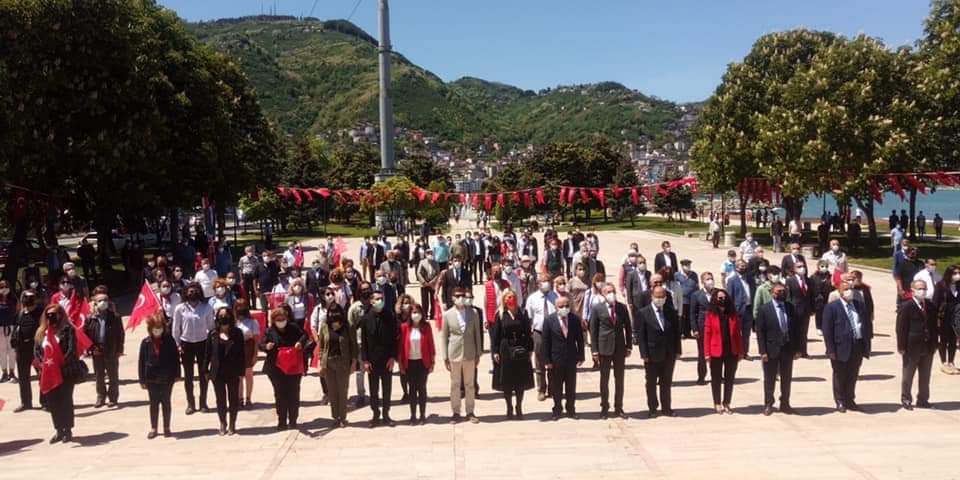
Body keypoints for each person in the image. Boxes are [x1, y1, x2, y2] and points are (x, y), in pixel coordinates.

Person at [823, 281, 873, 412]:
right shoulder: (832, 307)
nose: (848, 291)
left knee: (853, 374)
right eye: (845, 289)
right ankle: (840, 400)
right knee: (840, 374)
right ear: (839, 291)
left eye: (850, 289)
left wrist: (867, 344)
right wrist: (830, 349)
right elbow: (827, 330)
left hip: (857, 344)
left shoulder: (859, 305)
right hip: (840, 347)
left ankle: (850, 399)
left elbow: (866, 324)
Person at [35, 305, 81, 443]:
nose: (51, 317)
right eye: (48, 314)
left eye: (54, 314)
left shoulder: (68, 330)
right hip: (48, 373)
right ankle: (59, 430)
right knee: (53, 402)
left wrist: (60, 363)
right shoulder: (41, 332)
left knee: (65, 400)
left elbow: (72, 349)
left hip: (64, 371)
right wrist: (44, 364)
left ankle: (68, 430)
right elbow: (37, 351)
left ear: (60, 314)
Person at [756, 283, 803, 415]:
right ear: (772, 293)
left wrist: (799, 348)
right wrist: (763, 351)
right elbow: (760, 332)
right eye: (778, 292)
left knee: (786, 378)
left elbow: (797, 329)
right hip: (771, 349)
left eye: (783, 291)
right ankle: (768, 403)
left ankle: (785, 403)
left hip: (788, 348)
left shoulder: (790, 308)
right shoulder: (764, 309)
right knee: (770, 378)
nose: (781, 294)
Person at [261, 307, 311, 430]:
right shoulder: (270, 331)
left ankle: (293, 420)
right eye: (278, 319)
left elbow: (305, 336)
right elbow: (261, 344)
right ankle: (282, 420)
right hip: (276, 368)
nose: (281, 321)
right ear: (273, 320)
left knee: (293, 393)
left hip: (293, 367)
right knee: (280, 394)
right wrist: (266, 346)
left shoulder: (293, 328)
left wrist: (300, 342)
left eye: (283, 319)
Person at [636, 286, 681, 418]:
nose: (660, 299)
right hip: (651, 354)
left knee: (666, 382)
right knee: (651, 383)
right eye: (657, 296)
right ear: (652, 296)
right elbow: (641, 336)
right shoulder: (644, 313)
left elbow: (676, 332)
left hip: (668, 353)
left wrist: (678, 350)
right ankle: (652, 407)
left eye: (662, 297)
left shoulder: (670, 312)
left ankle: (666, 407)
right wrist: (644, 354)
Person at [490, 288, 533, 420]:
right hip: (505, 349)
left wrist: (530, 349)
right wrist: (495, 351)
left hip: (520, 348)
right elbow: (495, 335)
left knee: (520, 380)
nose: (511, 299)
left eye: (512, 296)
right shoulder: (500, 314)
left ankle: (518, 406)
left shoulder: (522, 312)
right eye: (508, 297)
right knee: (507, 380)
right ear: (504, 299)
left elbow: (527, 332)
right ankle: (509, 407)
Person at [172, 283, 215, 414]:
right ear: (185, 293)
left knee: (204, 374)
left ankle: (203, 403)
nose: (192, 293)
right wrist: (177, 345)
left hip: (202, 344)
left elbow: (212, 327)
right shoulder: (180, 308)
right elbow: (176, 328)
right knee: (188, 376)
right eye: (190, 291)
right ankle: (190, 403)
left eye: (195, 291)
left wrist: (211, 344)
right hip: (186, 344)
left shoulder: (206, 307)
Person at [591, 283, 631, 419]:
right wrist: (594, 350)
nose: (611, 294)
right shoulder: (597, 309)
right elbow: (594, 330)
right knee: (604, 380)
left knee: (619, 379)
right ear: (602, 294)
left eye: (612, 291)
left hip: (619, 348)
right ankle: (604, 407)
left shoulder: (622, 308)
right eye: (607, 292)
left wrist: (629, 346)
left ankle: (619, 407)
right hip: (604, 348)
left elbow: (628, 328)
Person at [896, 280, 938, 410]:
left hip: (927, 346)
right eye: (919, 288)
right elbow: (901, 328)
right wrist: (901, 346)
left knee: (925, 376)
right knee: (908, 375)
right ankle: (906, 398)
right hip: (911, 346)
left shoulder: (930, 306)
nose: (922, 291)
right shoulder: (907, 306)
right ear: (912, 290)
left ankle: (923, 399)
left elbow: (934, 326)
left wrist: (935, 343)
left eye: (924, 288)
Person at [541, 294, 584, 420]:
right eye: (561, 306)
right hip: (556, 359)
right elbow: (546, 341)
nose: (564, 308)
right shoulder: (549, 320)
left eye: (566, 305)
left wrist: (581, 355)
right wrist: (547, 360)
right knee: (556, 387)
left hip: (571, 358)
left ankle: (571, 409)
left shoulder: (575, 319)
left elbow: (580, 339)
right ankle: (557, 409)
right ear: (556, 307)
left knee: (571, 386)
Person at [138, 312, 180, 438]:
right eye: (155, 328)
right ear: (150, 329)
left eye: (159, 327)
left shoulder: (169, 340)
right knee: (154, 403)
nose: (157, 330)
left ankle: (167, 427)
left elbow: (175, 358)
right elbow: (141, 361)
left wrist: (177, 373)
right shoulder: (145, 342)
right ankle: (154, 427)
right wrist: (142, 380)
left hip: (167, 376)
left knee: (166, 402)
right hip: (151, 377)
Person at [361, 291, 398, 427]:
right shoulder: (366, 319)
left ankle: (386, 414)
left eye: (381, 298)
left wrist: (393, 357)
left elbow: (394, 339)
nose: (380, 301)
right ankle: (375, 414)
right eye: (377, 299)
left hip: (386, 359)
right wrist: (365, 360)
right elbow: (363, 341)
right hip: (372, 361)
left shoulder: (390, 316)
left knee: (387, 388)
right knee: (373, 389)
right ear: (371, 301)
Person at [703, 288, 743, 414]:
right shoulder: (710, 315)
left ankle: (727, 402)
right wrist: (707, 353)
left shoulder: (733, 314)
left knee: (730, 379)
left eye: (724, 297)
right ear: (715, 299)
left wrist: (741, 351)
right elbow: (707, 334)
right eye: (720, 298)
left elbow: (738, 334)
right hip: (716, 351)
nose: (722, 300)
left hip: (731, 350)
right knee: (716, 379)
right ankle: (717, 403)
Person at [317, 303, 357, 428]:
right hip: (328, 362)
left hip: (343, 362)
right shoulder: (324, 327)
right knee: (332, 392)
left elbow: (353, 345)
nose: (334, 317)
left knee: (342, 390)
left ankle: (343, 417)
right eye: (331, 314)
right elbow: (322, 346)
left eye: (336, 314)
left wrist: (354, 362)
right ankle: (335, 417)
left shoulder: (347, 326)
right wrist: (321, 363)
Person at [207, 308, 245, 435]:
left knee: (233, 398)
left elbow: (241, 353)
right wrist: (205, 370)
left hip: (233, 370)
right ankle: (223, 422)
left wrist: (242, 371)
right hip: (217, 372)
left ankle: (232, 424)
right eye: (221, 315)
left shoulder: (237, 333)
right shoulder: (212, 334)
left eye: (226, 315)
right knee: (220, 399)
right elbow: (207, 354)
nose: (224, 317)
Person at [83, 292, 124, 408]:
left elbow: (120, 334)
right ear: (95, 303)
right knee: (99, 376)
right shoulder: (90, 318)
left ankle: (113, 398)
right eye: (100, 300)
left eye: (105, 300)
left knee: (113, 375)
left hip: (111, 349)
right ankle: (100, 397)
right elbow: (85, 336)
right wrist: (91, 349)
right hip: (97, 350)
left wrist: (119, 349)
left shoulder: (115, 317)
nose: (103, 303)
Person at [397, 303, 435, 425]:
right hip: (410, 362)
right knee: (412, 389)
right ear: (410, 314)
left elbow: (431, 344)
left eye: (418, 312)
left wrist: (432, 361)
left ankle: (422, 415)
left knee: (422, 388)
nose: (416, 315)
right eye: (413, 312)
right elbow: (401, 347)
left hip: (423, 362)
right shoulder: (404, 327)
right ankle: (413, 416)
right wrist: (401, 364)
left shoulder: (426, 327)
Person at [525, 272, 557, 401]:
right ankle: (541, 388)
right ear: (538, 284)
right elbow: (529, 317)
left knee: (552, 361)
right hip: (538, 333)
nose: (546, 283)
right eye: (544, 281)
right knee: (539, 361)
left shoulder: (555, 297)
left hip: (553, 334)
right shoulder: (532, 299)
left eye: (548, 281)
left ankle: (553, 388)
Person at [12, 290, 42, 412]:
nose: (27, 300)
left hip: (36, 350)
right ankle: (26, 402)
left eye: (30, 298)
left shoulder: (40, 313)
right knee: (23, 378)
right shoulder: (20, 314)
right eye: (25, 297)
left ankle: (45, 401)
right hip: (22, 350)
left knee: (42, 376)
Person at [725, 260, 754, 358]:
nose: (743, 268)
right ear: (736, 268)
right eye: (741, 266)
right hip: (737, 310)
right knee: (736, 333)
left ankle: (745, 352)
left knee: (746, 333)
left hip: (749, 308)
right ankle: (736, 351)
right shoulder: (732, 280)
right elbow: (729, 296)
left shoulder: (750, 279)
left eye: (744, 266)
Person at [233, 299, 259, 407]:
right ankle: (240, 398)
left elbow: (256, 339)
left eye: (242, 306)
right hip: (236, 348)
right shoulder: (233, 322)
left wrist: (255, 354)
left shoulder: (253, 322)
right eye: (238, 306)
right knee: (238, 376)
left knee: (248, 374)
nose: (240, 308)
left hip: (248, 347)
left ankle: (248, 398)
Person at [690, 272, 714, 385]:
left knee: (717, 353)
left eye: (711, 278)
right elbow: (692, 313)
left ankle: (717, 375)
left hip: (716, 328)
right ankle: (701, 377)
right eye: (707, 279)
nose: (710, 281)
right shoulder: (696, 295)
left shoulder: (718, 293)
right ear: (702, 282)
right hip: (702, 327)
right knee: (702, 354)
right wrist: (694, 328)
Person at [785, 262, 814, 357]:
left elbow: (811, 296)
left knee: (804, 331)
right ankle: (794, 351)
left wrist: (812, 309)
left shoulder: (809, 280)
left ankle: (803, 351)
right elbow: (788, 296)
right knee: (794, 331)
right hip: (795, 309)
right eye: (799, 267)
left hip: (806, 309)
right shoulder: (790, 281)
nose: (802, 268)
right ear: (794, 269)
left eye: (803, 266)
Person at [811, 259, 835, 337]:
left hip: (828, 297)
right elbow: (811, 288)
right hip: (818, 299)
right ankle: (819, 327)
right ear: (818, 267)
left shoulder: (830, 276)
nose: (824, 268)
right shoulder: (814, 276)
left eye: (826, 266)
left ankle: (826, 327)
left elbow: (833, 287)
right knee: (819, 313)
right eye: (822, 266)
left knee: (827, 313)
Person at [416, 248, 440, 320]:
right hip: (424, 284)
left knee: (433, 300)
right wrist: (423, 282)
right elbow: (418, 273)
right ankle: (425, 314)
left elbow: (438, 273)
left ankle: (432, 314)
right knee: (424, 300)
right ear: (425, 254)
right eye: (428, 253)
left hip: (432, 284)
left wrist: (433, 281)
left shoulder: (436, 263)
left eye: (431, 253)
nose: (429, 255)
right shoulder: (422, 262)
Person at [0, 280, 16, 383]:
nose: (4, 288)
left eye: (6, 286)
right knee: (2, 351)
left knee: (12, 350)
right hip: (0, 328)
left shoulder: (13, 299)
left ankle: (12, 371)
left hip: (11, 327)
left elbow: (17, 311)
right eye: (1, 287)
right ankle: (4, 372)